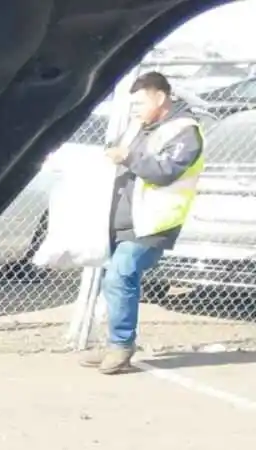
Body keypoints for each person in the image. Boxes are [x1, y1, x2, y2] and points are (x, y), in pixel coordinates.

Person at [84, 71, 204, 374]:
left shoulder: (185, 132)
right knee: (114, 281)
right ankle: (114, 342)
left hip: (153, 222)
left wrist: (127, 157)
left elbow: (165, 171)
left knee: (120, 275)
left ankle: (122, 346)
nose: (134, 110)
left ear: (160, 97)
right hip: (122, 218)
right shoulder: (139, 126)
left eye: (139, 103)